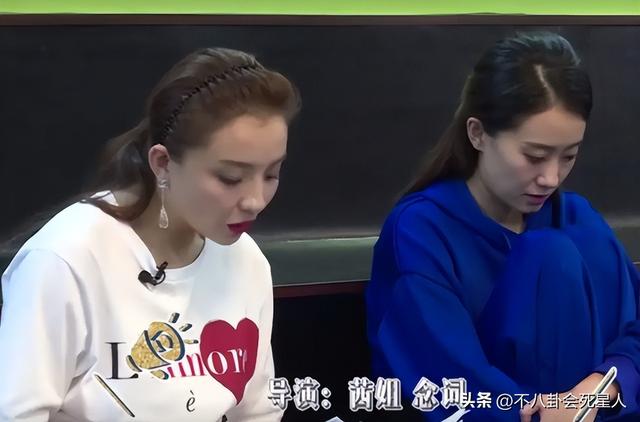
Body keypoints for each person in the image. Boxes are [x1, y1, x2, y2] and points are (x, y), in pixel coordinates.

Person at [0, 47, 300, 421]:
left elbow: (258, 410)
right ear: (163, 163)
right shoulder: (65, 259)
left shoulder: (246, 261)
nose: (255, 200)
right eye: (230, 178)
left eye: (271, 174)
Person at [366, 32, 639, 421]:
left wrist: (601, 388)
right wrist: (543, 411)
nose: (551, 178)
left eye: (568, 156)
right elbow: (445, 380)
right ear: (477, 134)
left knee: (569, 244)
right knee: (550, 255)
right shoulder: (420, 232)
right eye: (535, 156)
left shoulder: (577, 218)